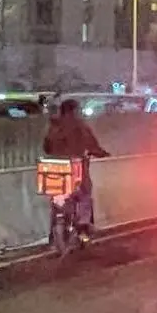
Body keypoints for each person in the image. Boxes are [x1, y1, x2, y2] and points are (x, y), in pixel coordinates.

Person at [43, 99, 109, 231]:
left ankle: (54, 228)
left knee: (56, 194)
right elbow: (91, 144)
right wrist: (101, 153)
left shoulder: (54, 125)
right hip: (76, 164)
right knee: (85, 192)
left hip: (54, 166)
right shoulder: (79, 125)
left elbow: (46, 147)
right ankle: (84, 222)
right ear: (73, 111)